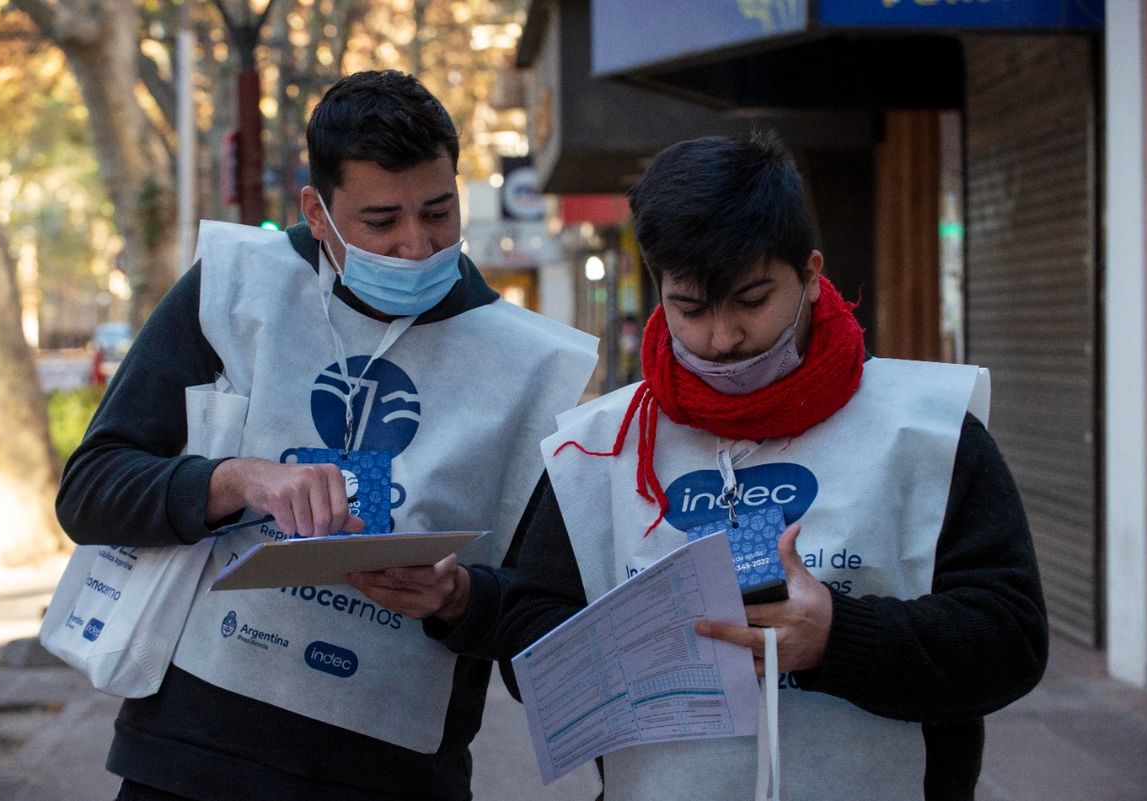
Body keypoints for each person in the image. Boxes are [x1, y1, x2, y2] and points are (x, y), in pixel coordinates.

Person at [422, 133, 1048, 801]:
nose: (722, 339)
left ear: (811, 275)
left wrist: (838, 638)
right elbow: (532, 639)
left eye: (752, 301)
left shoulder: (927, 431)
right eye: (691, 308)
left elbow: (1010, 638)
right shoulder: (599, 447)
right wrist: (637, 643)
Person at [55, 69, 597, 801]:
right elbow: (90, 490)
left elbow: (540, 612)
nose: (417, 245)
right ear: (317, 211)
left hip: (394, 772)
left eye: (439, 211)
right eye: (381, 221)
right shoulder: (236, 289)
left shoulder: (531, 364)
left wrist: (457, 596)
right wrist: (233, 479)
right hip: (192, 753)